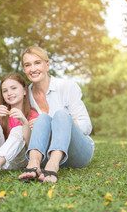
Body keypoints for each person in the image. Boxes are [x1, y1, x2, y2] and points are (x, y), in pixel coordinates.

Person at [18, 46, 95, 183]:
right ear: (24, 70)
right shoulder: (24, 95)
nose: (33, 69)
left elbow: (86, 126)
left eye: (37, 63)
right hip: (44, 154)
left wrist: (55, 123)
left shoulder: (67, 86)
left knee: (60, 115)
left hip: (78, 153)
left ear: (47, 65)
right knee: (42, 118)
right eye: (27, 65)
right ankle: (34, 164)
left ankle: (53, 165)